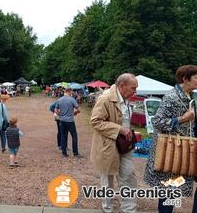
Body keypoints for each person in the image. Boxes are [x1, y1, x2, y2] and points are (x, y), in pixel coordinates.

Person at [144, 65, 197, 213]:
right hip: (170, 151)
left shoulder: (191, 96)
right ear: (185, 79)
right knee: (169, 189)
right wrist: (182, 118)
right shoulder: (172, 97)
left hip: (183, 149)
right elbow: (158, 122)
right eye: (196, 78)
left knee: (174, 188)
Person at [90, 73, 138, 213]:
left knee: (128, 176)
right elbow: (95, 121)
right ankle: (107, 209)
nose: (135, 91)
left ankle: (129, 210)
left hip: (125, 146)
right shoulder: (105, 98)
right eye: (133, 88)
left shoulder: (126, 97)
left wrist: (128, 131)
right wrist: (120, 129)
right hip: (108, 146)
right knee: (107, 179)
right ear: (122, 86)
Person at [55, 87, 82, 158]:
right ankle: (75, 153)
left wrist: (59, 114)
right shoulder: (72, 100)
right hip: (70, 121)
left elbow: (55, 110)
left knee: (63, 136)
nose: (72, 94)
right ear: (69, 92)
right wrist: (75, 113)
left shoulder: (59, 99)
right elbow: (79, 110)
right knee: (74, 136)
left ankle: (64, 153)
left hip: (62, 121)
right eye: (71, 92)